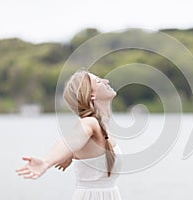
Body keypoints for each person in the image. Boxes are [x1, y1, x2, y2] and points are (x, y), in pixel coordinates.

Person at [16, 70, 123, 200]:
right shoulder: (90, 122)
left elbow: (77, 145)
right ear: (91, 95)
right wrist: (46, 161)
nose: (106, 81)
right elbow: (69, 141)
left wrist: (71, 154)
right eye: (99, 81)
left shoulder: (103, 126)